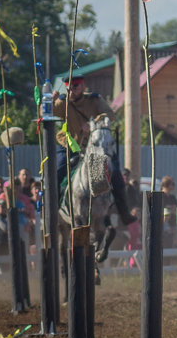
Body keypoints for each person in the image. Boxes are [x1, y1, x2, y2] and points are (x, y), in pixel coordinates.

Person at [52, 75, 136, 226]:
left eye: (75, 87)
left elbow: (110, 115)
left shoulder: (95, 100)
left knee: (116, 175)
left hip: (97, 148)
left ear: (83, 87)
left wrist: (93, 123)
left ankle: (124, 213)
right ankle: (54, 210)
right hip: (71, 146)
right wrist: (50, 101)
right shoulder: (62, 102)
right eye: (69, 88)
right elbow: (45, 113)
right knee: (57, 172)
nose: (71, 91)